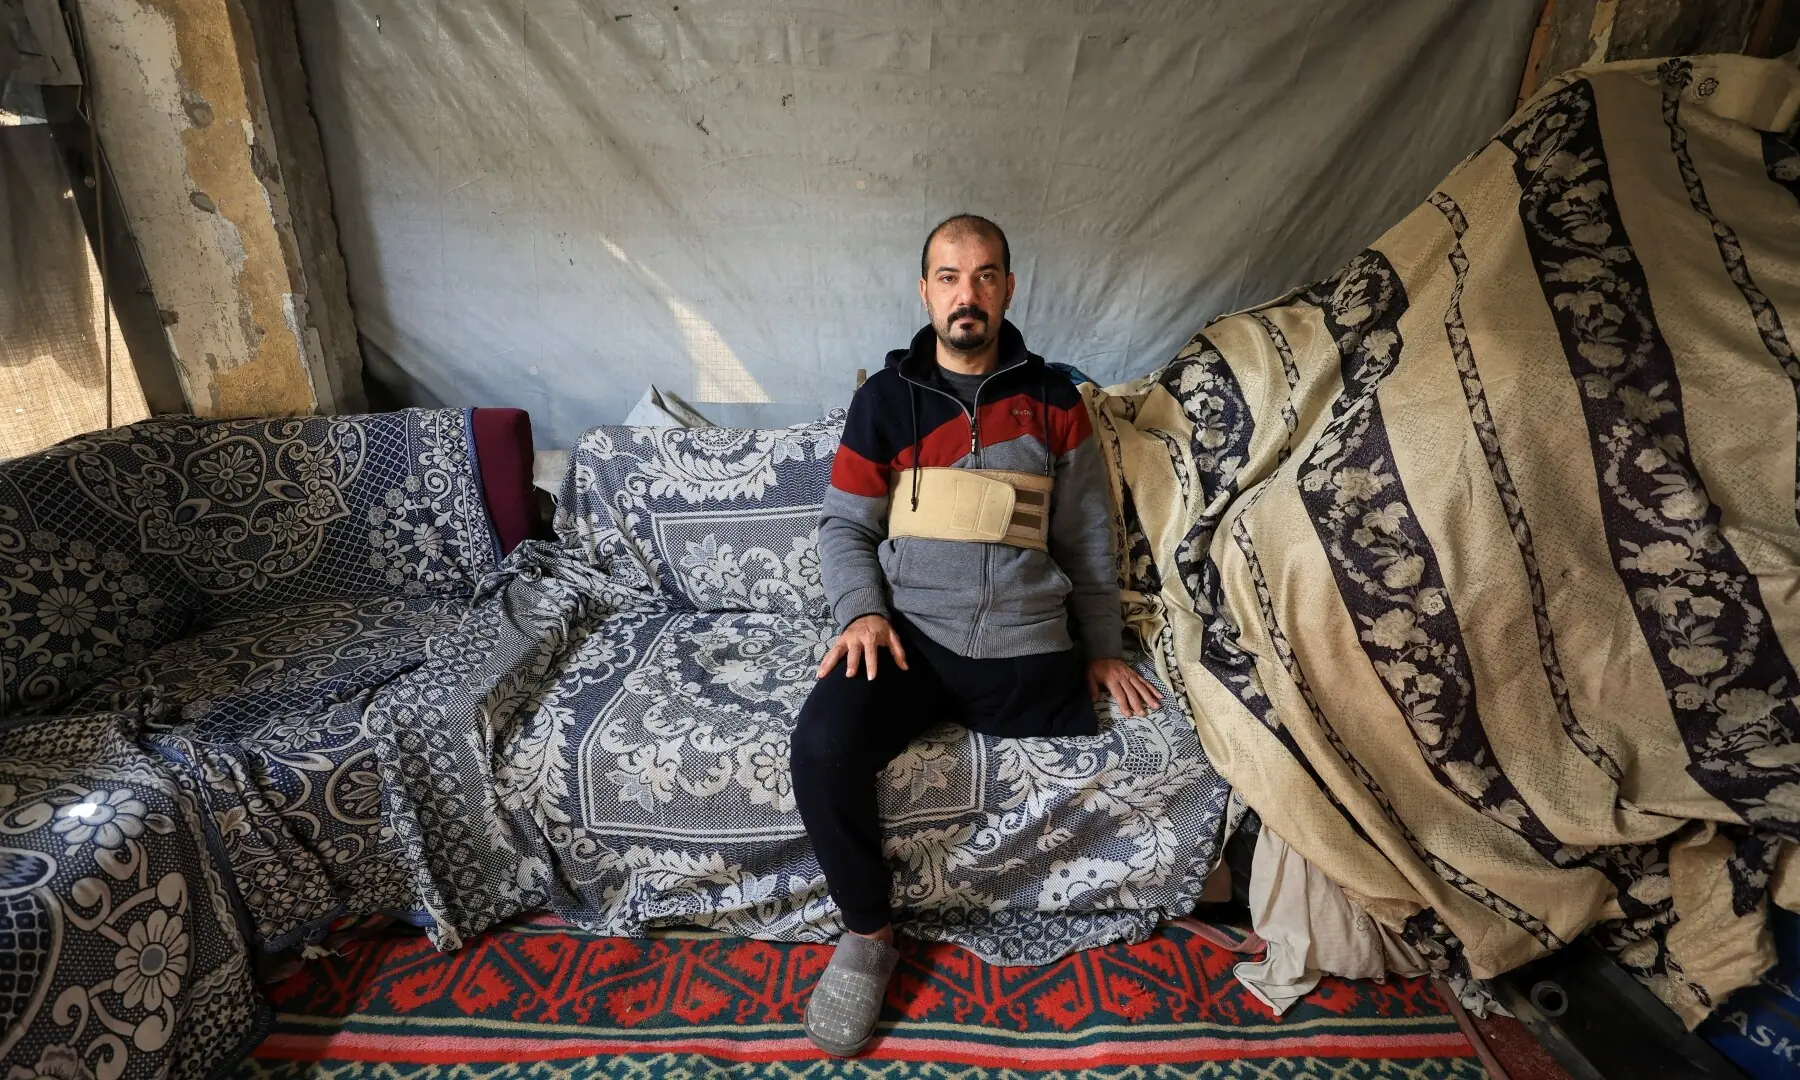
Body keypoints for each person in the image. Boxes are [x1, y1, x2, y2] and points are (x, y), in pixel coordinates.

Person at [792, 213, 1160, 1056]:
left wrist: (1102, 646)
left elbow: (1088, 538)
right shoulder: (884, 401)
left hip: (1029, 643)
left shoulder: (1054, 399)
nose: (969, 295)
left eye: (986, 276)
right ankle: (869, 937)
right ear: (925, 292)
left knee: (1116, 739)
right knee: (820, 744)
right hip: (910, 640)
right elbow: (842, 526)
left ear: (1008, 288)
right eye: (951, 278)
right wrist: (863, 612)